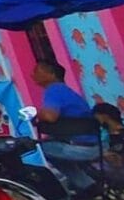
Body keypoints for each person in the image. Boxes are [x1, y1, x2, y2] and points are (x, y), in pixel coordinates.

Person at [31, 61, 103, 191]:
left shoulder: (54, 90)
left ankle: (81, 184)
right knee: (50, 147)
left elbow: (50, 116)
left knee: (35, 149)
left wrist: (36, 113)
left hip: (78, 147)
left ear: (51, 74)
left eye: (37, 71)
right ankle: (86, 184)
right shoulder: (66, 91)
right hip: (94, 145)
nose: (33, 75)